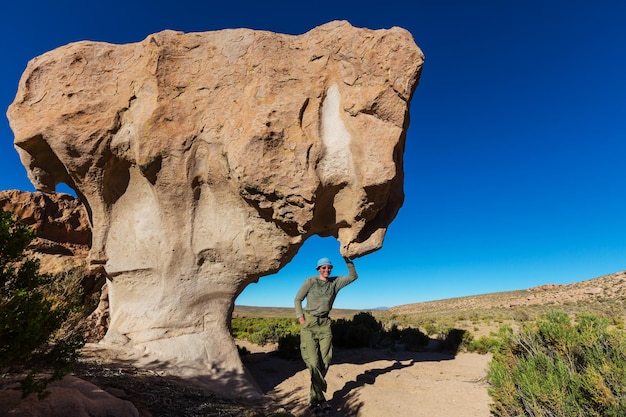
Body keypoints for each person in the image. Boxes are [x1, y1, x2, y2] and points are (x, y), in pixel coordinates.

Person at [294, 255, 358, 413]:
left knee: (326, 360)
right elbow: (298, 299)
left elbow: (353, 276)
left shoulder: (335, 283)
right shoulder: (310, 281)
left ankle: (316, 400)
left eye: (329, 267)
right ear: (318, 269)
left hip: (325, 324)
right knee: (313, 363)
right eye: (323, 268)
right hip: (309, 322)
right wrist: (301, 318)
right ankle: (320, 398)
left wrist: (348, 259)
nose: (327, 270)